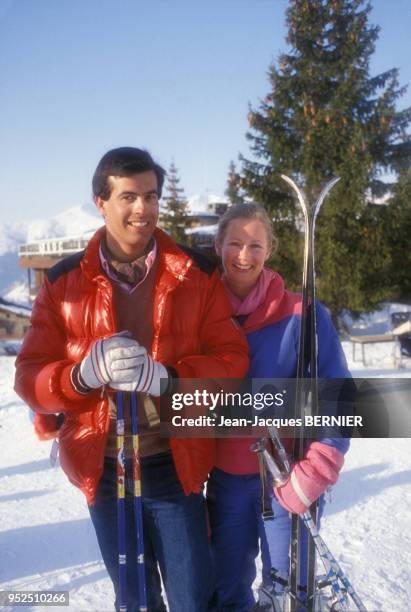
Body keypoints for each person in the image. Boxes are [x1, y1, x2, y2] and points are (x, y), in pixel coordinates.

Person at [14, 147, 249, 612]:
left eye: (151, 196)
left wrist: (170, 379)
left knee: (190, 598)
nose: (142, 208)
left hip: (171, 462)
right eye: (128, 196)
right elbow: (28, 376)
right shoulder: (63, 284)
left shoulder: (195, 274)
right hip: (101, 468)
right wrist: (79, 376)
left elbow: (232, 360)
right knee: (134, 599)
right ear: (101, 202)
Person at [206, 203, 351, 611]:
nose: (244, 255)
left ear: (270, 249)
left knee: (286, 587)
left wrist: (318, 465)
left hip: (286, 479)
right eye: (234, 243)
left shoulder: (302, 315)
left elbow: (339, 395)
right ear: (218, 246)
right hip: (224, 481)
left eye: (255, 244)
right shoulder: (201, 314)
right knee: (227, 584)